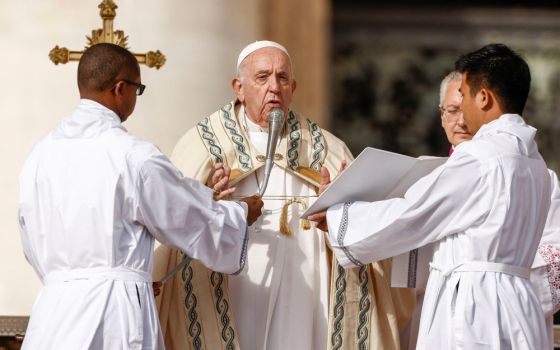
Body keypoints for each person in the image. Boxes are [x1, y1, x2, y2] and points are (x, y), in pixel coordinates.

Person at [153, 40, 415, 350]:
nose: (274, 87)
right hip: (239, 288)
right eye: (262, 78)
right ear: (239, 87)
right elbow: (170, 227)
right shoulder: (201, 146)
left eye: (282, 78)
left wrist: (340, 206)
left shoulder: (327, 149)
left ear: (293, 87)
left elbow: (363, 230)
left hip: (306, 292)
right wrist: (207, 199)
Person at [18, 43, 263, 349]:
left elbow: (31, 243)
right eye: (138, 88)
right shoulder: (132, 156)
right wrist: (240, 213)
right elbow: (184, 215)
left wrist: (128, 275)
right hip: (112, 318)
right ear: (121, 88)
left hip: (52, 316)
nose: (136, 96)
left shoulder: (39, 157)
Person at [310, 43, 552, 349]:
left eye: (462, 95)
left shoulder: (480, 157)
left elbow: (413, 214)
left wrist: (338, 216)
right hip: (519, 306)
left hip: (475, 310)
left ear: (484, 97)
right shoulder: (535, 163)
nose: (460, 109)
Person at [438, 70, 560, 349]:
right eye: (452, 110)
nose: (461, 121)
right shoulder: (423, 179)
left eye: (465, 109)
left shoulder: (540, 177)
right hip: (434, 316)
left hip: (508, 323)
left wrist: (497, 277)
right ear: (441, 114)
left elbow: (557, 255)